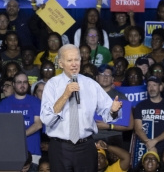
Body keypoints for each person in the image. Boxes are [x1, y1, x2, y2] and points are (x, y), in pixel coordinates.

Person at [40, 44, 122, 172]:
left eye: (76, 60)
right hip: (60, 147)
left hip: (86, 147)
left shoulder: (91, 84)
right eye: (69, 60)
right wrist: (65, 95)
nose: (74, 64)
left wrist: (113, 110)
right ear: (61, 63)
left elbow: (107, 113)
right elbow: (46, 119)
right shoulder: (52, 85)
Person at [0, 72, 43, 162]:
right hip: (10, 151)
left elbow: (38, 124)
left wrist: (19, 135)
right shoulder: (4, 104)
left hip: (32, 151)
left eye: (25, 82)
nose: (22, 85)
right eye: (19, 82)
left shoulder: (36, 102)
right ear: (14, 84)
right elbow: (0, 127)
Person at [134, 76, 164, 153]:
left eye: (154, 85)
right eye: (149, 85)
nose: (151, 88)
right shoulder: (140, 106)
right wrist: (148, 143)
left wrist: (154, 141)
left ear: (160, 87)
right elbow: (138, 129)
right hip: (144, 146)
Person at [94, 64, 133, 142]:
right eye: (102, 74)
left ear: (112, 79)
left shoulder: (121, 97)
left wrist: (109, 126)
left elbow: (130, 125)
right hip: (91, 137)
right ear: (97, 77)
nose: (105, 77)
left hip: (113, 137)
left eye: (108, 75)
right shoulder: (88, 96)